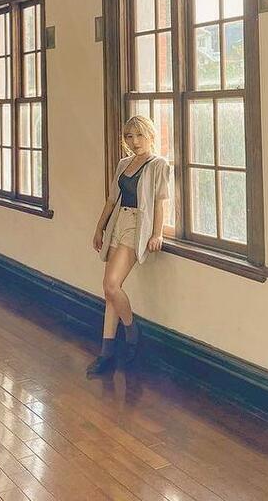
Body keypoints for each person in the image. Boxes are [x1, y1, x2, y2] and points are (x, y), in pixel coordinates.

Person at [88, 115, 171, 375]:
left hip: (137, 226)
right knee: (109, 291)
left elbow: (160, 202)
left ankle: (132, 330)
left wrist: (157, 234)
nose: (135, 141)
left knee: (112, 285)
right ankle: (106, 352)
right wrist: (100, 227)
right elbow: (112, 199)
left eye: (140, 135)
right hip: (118, 222)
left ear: (150, 135)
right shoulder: (124, 164)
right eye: (129, 136)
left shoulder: (158, 164)